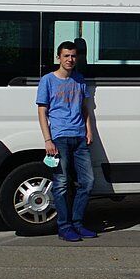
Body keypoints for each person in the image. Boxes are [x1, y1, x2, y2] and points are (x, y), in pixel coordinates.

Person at [35, 40, 97, 242]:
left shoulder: (79, 80)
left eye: (73, 56)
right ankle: (64, 226)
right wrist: (48, 139)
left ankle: (77, 224)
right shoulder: (47, 80)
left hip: (79, 137)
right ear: (58, 57)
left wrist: (89, 130)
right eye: (66, 56)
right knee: (61, 184)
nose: (70, 59)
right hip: (59, 137)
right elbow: (42, 111)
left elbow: (85, 108)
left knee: (87, 182)